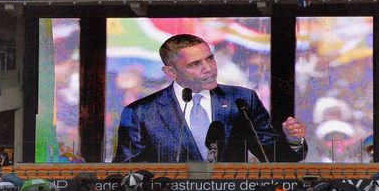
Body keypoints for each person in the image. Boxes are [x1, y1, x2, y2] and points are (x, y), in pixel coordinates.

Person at [113, 34, 308, 162]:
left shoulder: (241, 101)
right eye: (195, 64)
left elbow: (273, 156)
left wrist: (293, 140)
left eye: (210, 58)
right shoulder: (141, 112)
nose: (209, 68)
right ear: (171, 72)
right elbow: (127, 169)